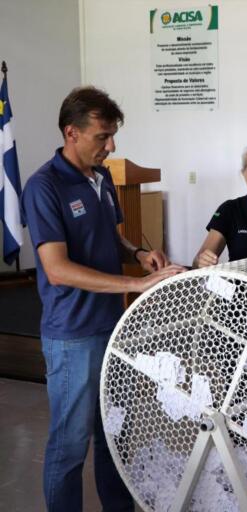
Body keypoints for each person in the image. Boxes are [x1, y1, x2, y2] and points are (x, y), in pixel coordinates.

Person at [21, 86, 185, 511]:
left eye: (113, 136)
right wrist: (134, 285)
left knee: (115, 434)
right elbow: (57, 269)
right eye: (102, 137)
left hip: (113, 328)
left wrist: (138, 254)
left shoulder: (103, 176)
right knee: (71, 444)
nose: (111, 146)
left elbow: (111, 234)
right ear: (71, 133)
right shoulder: (44, 187)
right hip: (73, 336)